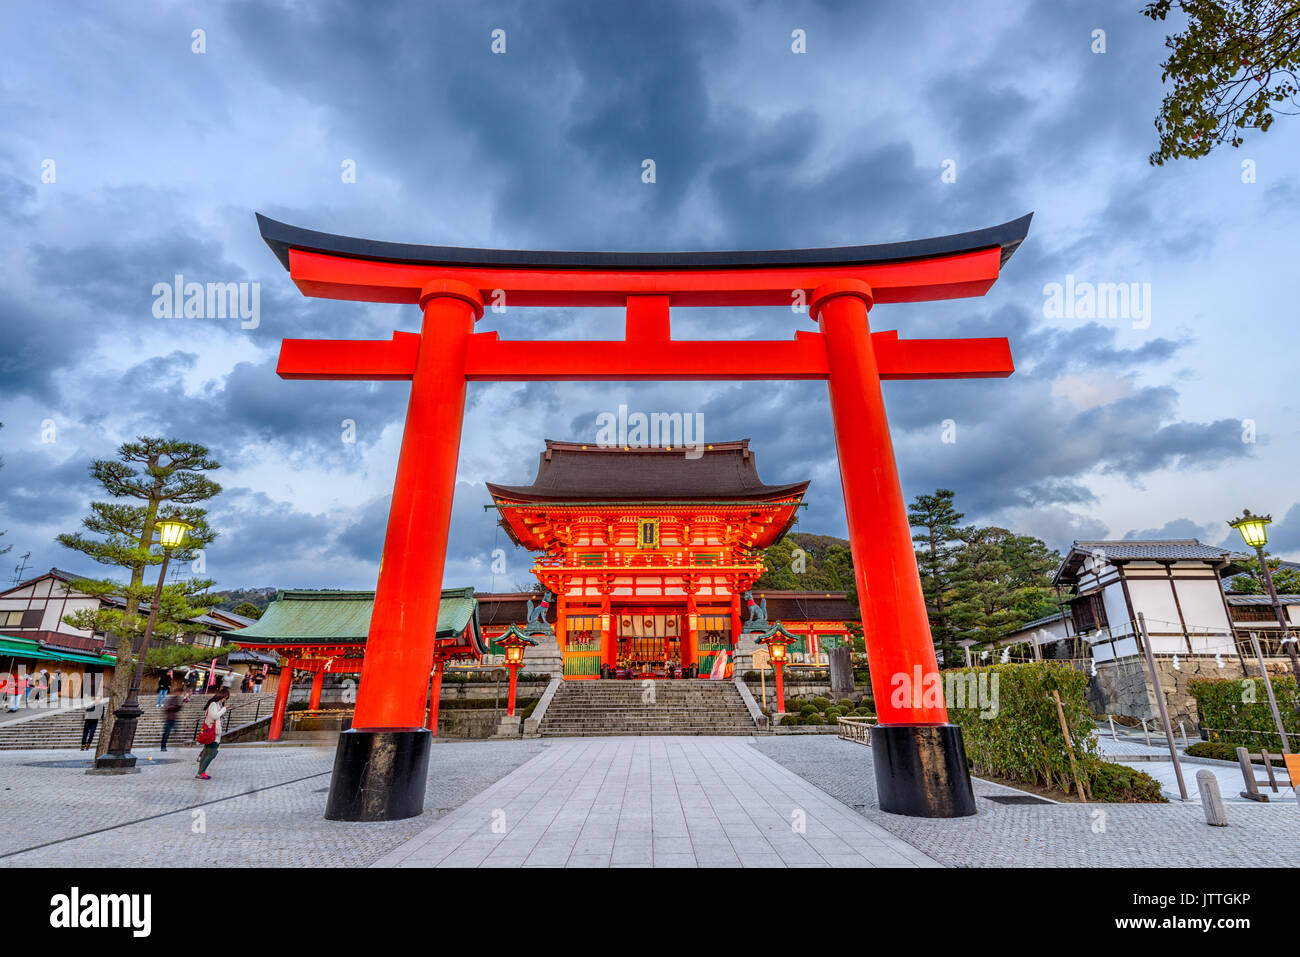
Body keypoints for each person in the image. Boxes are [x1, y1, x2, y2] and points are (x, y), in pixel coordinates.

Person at [195, 688, 229, 779]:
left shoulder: (217, 704)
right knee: (212, 753)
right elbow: (214, 716)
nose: (224, 700)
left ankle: (201, 772)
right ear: (221, 696)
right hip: (212, 732)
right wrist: (223, 710)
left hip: (213, 731)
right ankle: (200, 773)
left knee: (206, 753)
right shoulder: (213, 704)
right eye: (225, 698)